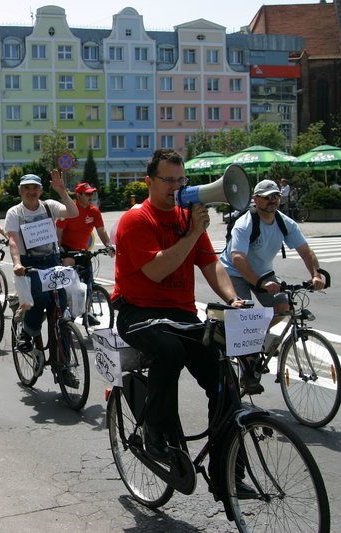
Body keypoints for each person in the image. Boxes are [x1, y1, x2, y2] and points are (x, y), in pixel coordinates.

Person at [113, 149, 243, 467]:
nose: (176, 186)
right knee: (169, 350)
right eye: (168, 180)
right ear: (149, 182)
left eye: (180, 179)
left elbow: (211, 265)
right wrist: (194, 233)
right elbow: (156, 271)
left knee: (223, 375)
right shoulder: (135, 219)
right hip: (138, 311)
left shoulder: (186, 217)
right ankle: (154, 433)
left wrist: (232, 299)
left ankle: (229, 471)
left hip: (181, 313)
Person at [219, 179, 325, 394]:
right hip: (234, 271)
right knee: (245, 314)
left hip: (264, 272)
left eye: (275, 196)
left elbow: (306, 251)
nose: (272, 200)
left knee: (284, 308)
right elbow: (237, 257)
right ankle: (247, 374)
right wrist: (260, 282)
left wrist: (316, 274)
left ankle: (254, 335)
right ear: (256, 200)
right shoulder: (245, 223)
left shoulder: (285, 222)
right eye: (267, 197)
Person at [5, 171, 79, 383]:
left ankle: (63, 367)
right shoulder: (15, 213)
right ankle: (26, 334)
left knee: (61, 311)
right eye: (27, 188)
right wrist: (17, 263)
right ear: (20, 191)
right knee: (39, 298)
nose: (31, 191)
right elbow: (12, 240)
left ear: (41, 190)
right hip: (30, 264)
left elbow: (73, 213)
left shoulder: (49, 206)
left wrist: (62, 191)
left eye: (35, 187)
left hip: (52, 260)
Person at [56, 182, 115, 265]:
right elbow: (58, 231)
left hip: (83, 251)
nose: (90, 197)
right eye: (87, 194)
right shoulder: (69, 209)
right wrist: (58, 249)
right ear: (78, 195)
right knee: (69, 265)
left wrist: (108, 246)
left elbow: (101, 231)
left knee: (88, 274)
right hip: (67, 250)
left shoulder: (94, 211)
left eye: (91, 194)